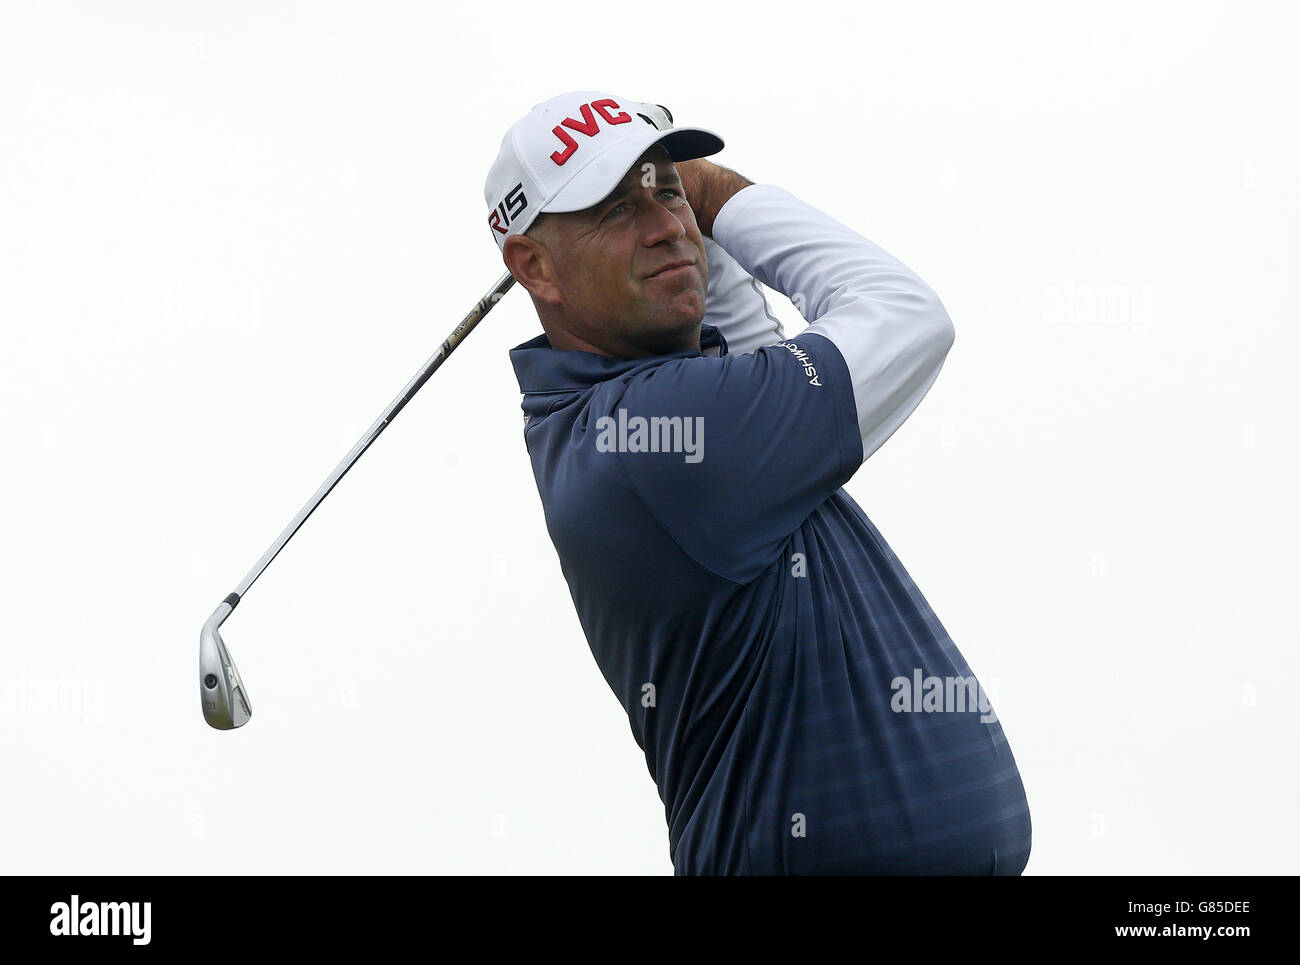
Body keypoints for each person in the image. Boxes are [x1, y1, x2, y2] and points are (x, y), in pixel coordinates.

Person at [484, 90, 1031, 874]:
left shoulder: (643, 410)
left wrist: (683, 210)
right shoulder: (657, 438)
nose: (664, 224)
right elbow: (904, 315)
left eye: (664, 188)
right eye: (613, 208)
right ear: (534, 266)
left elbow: (741, 333)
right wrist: (715, 193)